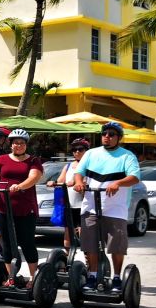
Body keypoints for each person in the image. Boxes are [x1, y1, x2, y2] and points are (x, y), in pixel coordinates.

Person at [73, 122, 141, 291]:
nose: (107, 137)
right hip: (90, 206)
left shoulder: (127, 156)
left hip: (116, 208)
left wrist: (118, 182)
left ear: (118, 138)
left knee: (116, 246)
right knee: (90, 244)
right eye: (105, 133)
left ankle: (117, 278)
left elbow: (135, 177)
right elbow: (79, 172)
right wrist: (79, 182)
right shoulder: (91, 154)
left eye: (111, 134)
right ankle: (92, 276)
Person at [0, 129, 43, 288]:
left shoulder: (33, 161)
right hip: (2, 206)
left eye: (22, 143)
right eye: (16, 142)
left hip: (25, 207)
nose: (19, 145)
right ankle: (11, 277)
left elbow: (33, 177)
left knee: (27, 241)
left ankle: (33, 277)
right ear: (11, 144)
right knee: (6, 242)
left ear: (26, 145)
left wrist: (20, 186)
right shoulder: (1, 159)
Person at [47, 138, 90, 252]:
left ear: (86, 151)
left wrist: (76, 183)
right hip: (68, 204)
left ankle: (89, 260)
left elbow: (87, 182)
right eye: (74, 150)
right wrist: (54, 183)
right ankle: (67, 259)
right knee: (68, 231)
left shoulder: (89, 166)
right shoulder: (68, 166)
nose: (77, 152)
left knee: (83, 232)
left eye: (80, 149)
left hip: (83, 204)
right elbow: (60, 181)